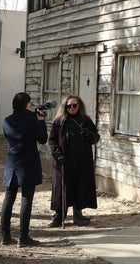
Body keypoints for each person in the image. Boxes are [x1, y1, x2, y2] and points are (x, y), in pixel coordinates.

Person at [0, 92, 48, 247]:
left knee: (9, 199)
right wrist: (41, 121)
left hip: (12, 162)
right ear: (27, 104)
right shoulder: (32, 120)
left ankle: (5, 236)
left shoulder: (7, 121)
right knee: (26, 200)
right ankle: (23, 237)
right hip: (27, 163)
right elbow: (42, 139)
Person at [48, 95, 100, 227]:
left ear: (79, 106)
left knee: (80, 186)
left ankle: (78, 215)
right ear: (65, 107)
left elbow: (95, 138)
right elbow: (52, 140)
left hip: (81, 161)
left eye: (74, 105)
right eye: (69, 106)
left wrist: (89, 134)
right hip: (64, 161)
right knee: (62, 188)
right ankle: (59, 216)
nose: (72, 108)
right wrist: (57, 154)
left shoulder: (85, 120)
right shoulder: (59, 121)